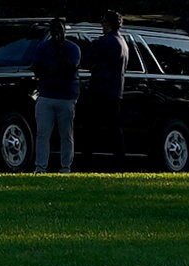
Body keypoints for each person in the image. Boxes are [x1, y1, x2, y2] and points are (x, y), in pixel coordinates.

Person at [30, 21, 84, 171]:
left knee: (66, 134)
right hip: (47, 94)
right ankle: (40, 167)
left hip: (66, 96)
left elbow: (70, 66)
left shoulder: (72, 49)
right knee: (42, 133)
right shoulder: (43, 48)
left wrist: (49, 70)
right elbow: (36, 67)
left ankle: (65, 167)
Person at [88, 11, 131, 165]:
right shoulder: (123, 42)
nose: (101, 24)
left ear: (108, 23)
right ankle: (119, 160)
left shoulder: (105, 42)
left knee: (92, 128)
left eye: (103, 21)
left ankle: (88, 161)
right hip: (115, 91)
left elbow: (89, 59)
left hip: (101, 90)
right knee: (115, 128)